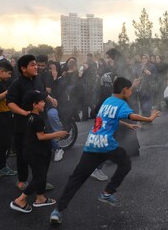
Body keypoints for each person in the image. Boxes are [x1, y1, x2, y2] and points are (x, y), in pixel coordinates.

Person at [49, 77, 160, 224]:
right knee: (125, 163)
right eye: (130, 89)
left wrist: (127, 126)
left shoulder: (107, 101)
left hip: (92, 144)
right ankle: (107, 193)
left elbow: (108, 117)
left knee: (76, 178)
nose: (131, 91)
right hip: (106, 145)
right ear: (124, 90)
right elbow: (133, 115)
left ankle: (57, 211)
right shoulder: (121, 103)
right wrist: (150, 118)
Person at [10, 90, 69, 214]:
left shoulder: (31, 117)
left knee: (41, 175)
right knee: (39, 177)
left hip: (38, 152)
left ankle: (40, 198)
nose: (44, 103)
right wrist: (57, 134)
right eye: (41, 101)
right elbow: (40, 137)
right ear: (34, 104)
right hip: (35, 153)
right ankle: (20, 200)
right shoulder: (37, 119)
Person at [7, 54, 58, 191]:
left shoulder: (39, 78)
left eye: (36, 64)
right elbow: (10, 103)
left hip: (39, 123)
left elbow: (42, 93)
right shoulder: (16, 83)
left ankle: (39, 181)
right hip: (22, 126)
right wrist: (25, 113)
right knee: (23, 155)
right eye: (32, 65)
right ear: (23, 68)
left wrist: (50, 98)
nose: (36, 67)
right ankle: (22, 181)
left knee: (43, 154)